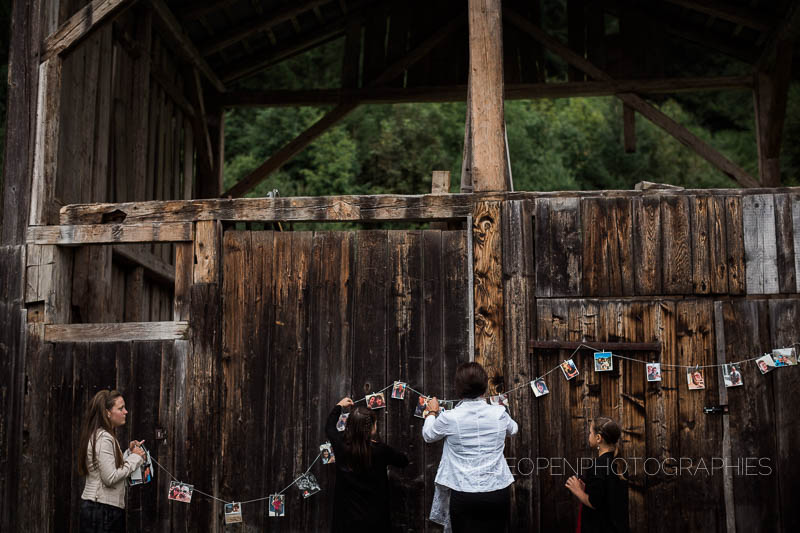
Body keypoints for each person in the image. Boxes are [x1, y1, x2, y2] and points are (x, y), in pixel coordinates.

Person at [422, 362, 518, 532]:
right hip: (497, 491)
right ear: (484, 387)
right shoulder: (499, 413)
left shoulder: (449, 418)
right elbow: (514, 429)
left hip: (464, 492)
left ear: (458, 388)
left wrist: (431, 412)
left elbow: (428, 435)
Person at [325, 398, 409, 531]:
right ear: (372, 428)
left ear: (349, 425)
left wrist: (339, 406)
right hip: (374, 519)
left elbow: (329, 427)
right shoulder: (381, 450)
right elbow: (403, 461)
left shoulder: (340, 443)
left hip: (346, 519)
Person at [78, 390, 146, 533]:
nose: (125, 412)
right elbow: (110, 477)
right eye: (121, 408)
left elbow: (110, 468)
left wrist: (130, 453)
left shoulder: (104, 436)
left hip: (101, 510)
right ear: (107, 412)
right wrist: (136, 458)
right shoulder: (104, 438)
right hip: (102, 510)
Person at [565, 417, 629, 533]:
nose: (589, 436)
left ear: (598, 438)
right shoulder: (619, 464)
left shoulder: (598, 465)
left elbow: (595, 502)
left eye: (590, 433)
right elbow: (606, 495)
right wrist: (587, 488)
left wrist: (577, 490)